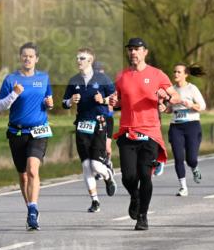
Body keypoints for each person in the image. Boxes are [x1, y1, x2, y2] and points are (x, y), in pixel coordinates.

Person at [108, 38, 180, 230]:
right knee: (127, 176)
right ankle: (135, 196)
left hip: (149, 133)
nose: (133, 52)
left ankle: (143, 216)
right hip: (127, 132)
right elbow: (118, 101)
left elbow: (176, 96)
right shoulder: (122, 76)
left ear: (145, 52)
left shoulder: (157, 74)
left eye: (137, 49)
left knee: (145, 176)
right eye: (130, 49)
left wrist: (167, 97)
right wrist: (113, 102)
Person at [0, 42, 53, 230]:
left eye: (31, 56)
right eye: (24, 56)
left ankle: (33, 210)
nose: (28, 59)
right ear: (20, 58)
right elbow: (0, 106)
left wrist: (49, 104)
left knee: (32, 169)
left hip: (38, 130)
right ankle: (30, 207)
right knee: (23, 177)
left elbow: (48, 101)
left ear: (37, 59)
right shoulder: (11, 79)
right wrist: (14, 93)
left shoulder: (44, 78)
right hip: (16, 132)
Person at [62, 48, 116, 212]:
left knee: (96, 165)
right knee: (86, 166)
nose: (79, 60)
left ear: (90, 60)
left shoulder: (102, 78)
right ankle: (95, 201)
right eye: (77, 58)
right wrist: (71, 101)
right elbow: (64, 103)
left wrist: (104, 99)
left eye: (82, 58)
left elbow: (116, 99)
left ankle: (108, 175)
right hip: (81, 125)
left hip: (99, 124)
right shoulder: (73, 80)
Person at [165, 63, 206, 196]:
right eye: (174, 72)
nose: (175, 74)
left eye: (178, 72)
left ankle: (194, 167)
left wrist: (191, 105)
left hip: (192, 125)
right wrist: (164, 109)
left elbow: (202, 106)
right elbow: (169, 109)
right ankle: (183, 187)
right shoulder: (171, 90)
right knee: (178, 157)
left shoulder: (192, 88)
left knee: (191, 159)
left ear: (185, 74)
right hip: (176, 126)